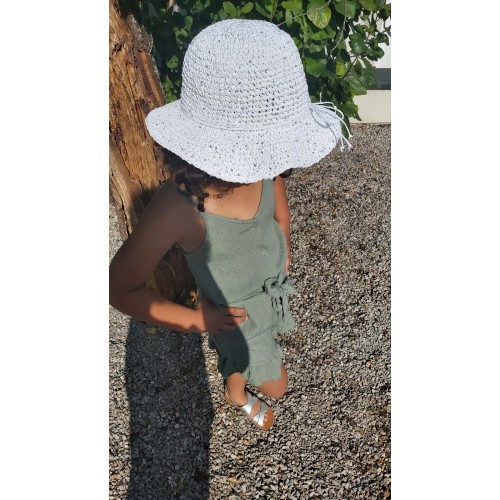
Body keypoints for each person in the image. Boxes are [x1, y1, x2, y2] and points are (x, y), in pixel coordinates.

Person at [109, 19, 350, 431]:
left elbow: (280, 213)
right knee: (275, 384)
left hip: (269, 293)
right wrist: (197, 321)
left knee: (239, 357)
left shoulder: (265, 163)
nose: (268, 162)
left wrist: (282, 247)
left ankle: (234, 388)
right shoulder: (180, 206)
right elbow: (117, 286)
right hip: (231, 315)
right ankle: (236, 390)